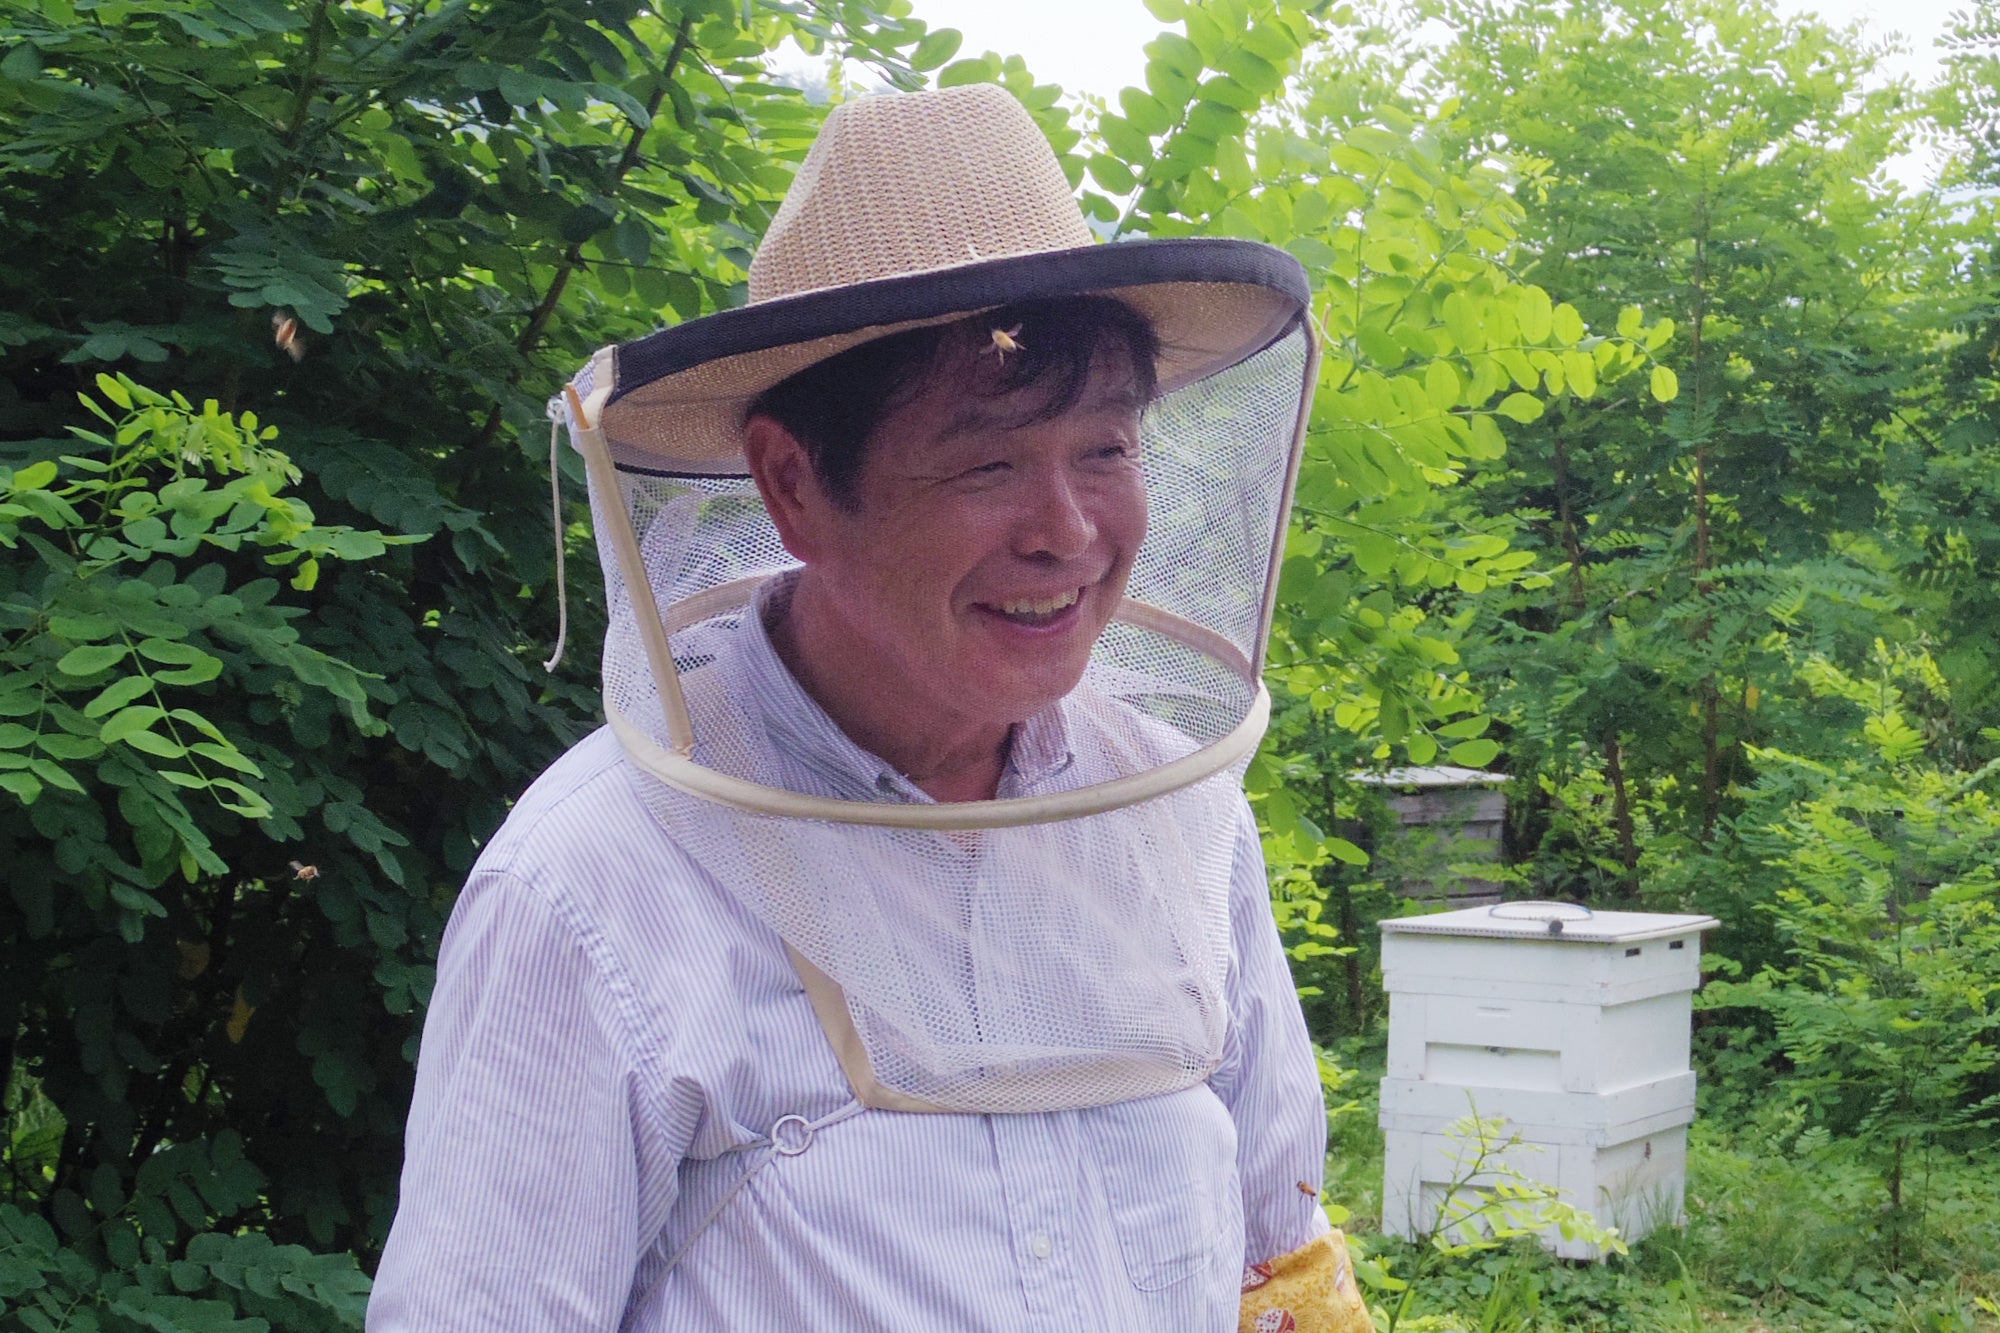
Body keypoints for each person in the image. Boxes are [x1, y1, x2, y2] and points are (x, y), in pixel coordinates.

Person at [369, 84, 1369, 1332]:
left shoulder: (1174, 813)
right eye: (987, 462)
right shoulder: (591, 887)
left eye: (1104, 451)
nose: (1064, 532)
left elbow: (1277, 1259)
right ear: (792, 486)